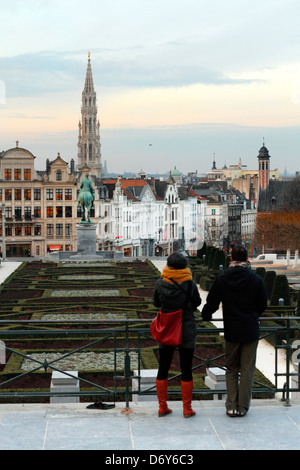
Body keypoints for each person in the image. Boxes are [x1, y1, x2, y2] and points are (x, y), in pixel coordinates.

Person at [201, 245, 267, 417]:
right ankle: (242, 407)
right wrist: (252, 314)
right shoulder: (255, 279)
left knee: (231, 369)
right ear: (247, 259)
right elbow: (262, 305)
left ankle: (230, 406)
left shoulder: (223, 278)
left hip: (232, 329)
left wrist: (205, 315)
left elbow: (212, 302)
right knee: (247, 370)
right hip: (250, 329)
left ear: (231, 259)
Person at [153, 252, 201, 418]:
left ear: (168, 265)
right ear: (184, 266)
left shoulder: (160, 283)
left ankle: (162, 406)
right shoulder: (190, 284)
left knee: (163, 367)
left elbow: (156, 303)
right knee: (186, 368)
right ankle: (187, 408)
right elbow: (197, 303)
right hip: (186, 328)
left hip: (167, 327)